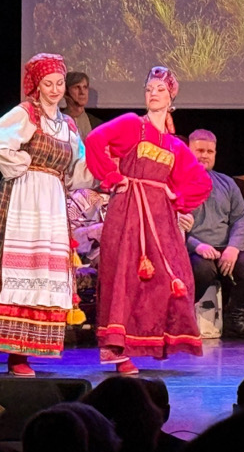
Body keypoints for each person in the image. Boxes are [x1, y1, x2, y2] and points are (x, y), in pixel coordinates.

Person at [0, 53, 96, 377]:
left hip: (52, 201)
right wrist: (18, 164)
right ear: (36, 86)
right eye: (48, 83)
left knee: (45, 272)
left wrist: (101, 165)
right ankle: (14, 355)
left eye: (58, 84)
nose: (54, 89)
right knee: (20, 269)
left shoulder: (67, 125)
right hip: (25, 197)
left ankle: (30, 348)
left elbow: (79, 165)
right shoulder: (26, 113)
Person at [85, 66, 212, 375]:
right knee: (125, 276)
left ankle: (155, 339)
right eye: (149, 89)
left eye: (160, 89)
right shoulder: (132, 124)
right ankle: (117, 349)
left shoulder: (175, 146)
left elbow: (201, 183)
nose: (153, 93)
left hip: (161, 221)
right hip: (129, 211)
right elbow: (93, 140)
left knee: (171, 277)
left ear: (171, 98)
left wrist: (176, 198)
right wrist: (113, 177)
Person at [183, 128, 244, 340]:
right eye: (199, 150)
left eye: (210, 152)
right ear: (187, 151)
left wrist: (233, 248)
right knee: (202, 270)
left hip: (224, 248)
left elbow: (241, 217)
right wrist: (197, 246)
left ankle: (234, 321)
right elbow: (171, 223)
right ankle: (182, 320)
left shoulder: (226, 183)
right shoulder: (177, 182)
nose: (204, 155)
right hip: (192, 248)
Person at [62, 70, 103, 142]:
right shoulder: (55, 122)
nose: (82, 92)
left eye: (85, 87)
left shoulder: (98, 124)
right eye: (77, 87)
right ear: (65, 92)